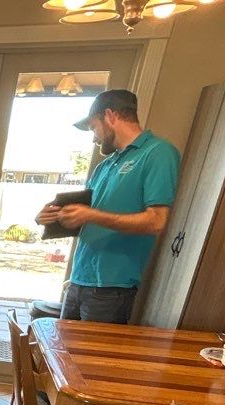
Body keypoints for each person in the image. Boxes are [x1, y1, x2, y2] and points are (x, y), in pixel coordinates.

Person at [36, 89, 180, 324]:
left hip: (113, 288)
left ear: (110, 116)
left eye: (94, 127)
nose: (94, 137)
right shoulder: (105, 166)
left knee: (90, 360)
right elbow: (84, 217)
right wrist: (51, 217)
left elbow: (157, 221)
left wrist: (91, 214)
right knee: (61, 355)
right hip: (79, 279)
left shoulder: (158, 153)